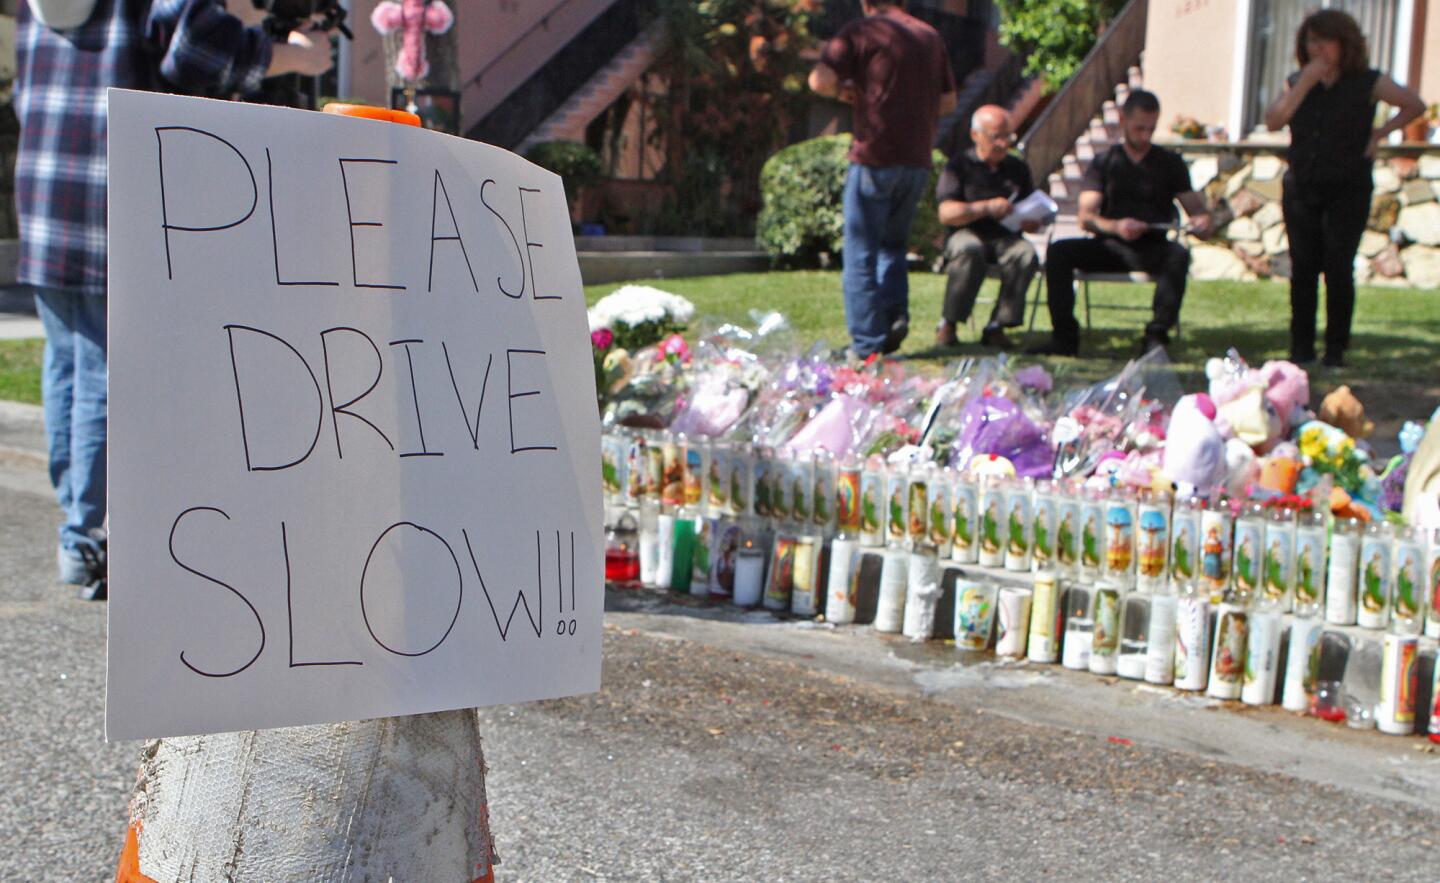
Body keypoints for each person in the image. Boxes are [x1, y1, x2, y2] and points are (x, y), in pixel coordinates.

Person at [15, 0, 334, 598]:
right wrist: (299, 54)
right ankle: (94, 540)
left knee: (67, 367)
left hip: (48, 188)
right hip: (120, 192)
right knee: (113, 374)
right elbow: (200, 52)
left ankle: (76, 530)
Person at [1263, 9, 1425, 368]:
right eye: (1310, 40)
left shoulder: (1367, 81)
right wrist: (1304, 82)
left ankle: (1335, 350)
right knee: (1302, 268)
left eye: (1324, 40)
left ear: (1342, 43)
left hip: (1348, 185)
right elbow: (1273, 120)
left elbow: (1414, 105)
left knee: (1338, 266)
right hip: (1303, 184)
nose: (1316, 47)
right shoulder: (1297, 82)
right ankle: (1300, 348)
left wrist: (1380, 134)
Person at [808, 0, 956, 358]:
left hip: (874, 157)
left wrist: (845, 91)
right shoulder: (929, 36)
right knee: (893, 247)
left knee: (860, 252)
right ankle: (893, 320)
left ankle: (867, 343)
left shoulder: (862, 31)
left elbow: (818, 80)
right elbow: (949, 103)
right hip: (917, 160)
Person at [1029, 90, 1213, 357]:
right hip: (1110, 246)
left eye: (1151, 129)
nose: (1145, 135)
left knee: (1179, 255)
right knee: (1059, 251)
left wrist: (1204, 221)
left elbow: (1197, 210)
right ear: (1123, 120)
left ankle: (1156, 335)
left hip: (1152, 248)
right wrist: (1116, 227)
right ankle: (1064, 337)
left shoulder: (1171, 163)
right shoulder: (1104, 163)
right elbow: (1087, 217)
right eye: (1139, 128)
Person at [934, 104, 1041, 350]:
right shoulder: (959, 166)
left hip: (1005, 237)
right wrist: (986, 208)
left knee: (1024, 253)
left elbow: (1030, 204)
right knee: (969, 249)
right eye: (996, 137)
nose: (1004, 143)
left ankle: (997, 326)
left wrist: (1032, 221)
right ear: (975, 135)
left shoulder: (1017, 168)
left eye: (1008, 137)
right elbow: (946, 213)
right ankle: (948, 324)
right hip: (966, 233)